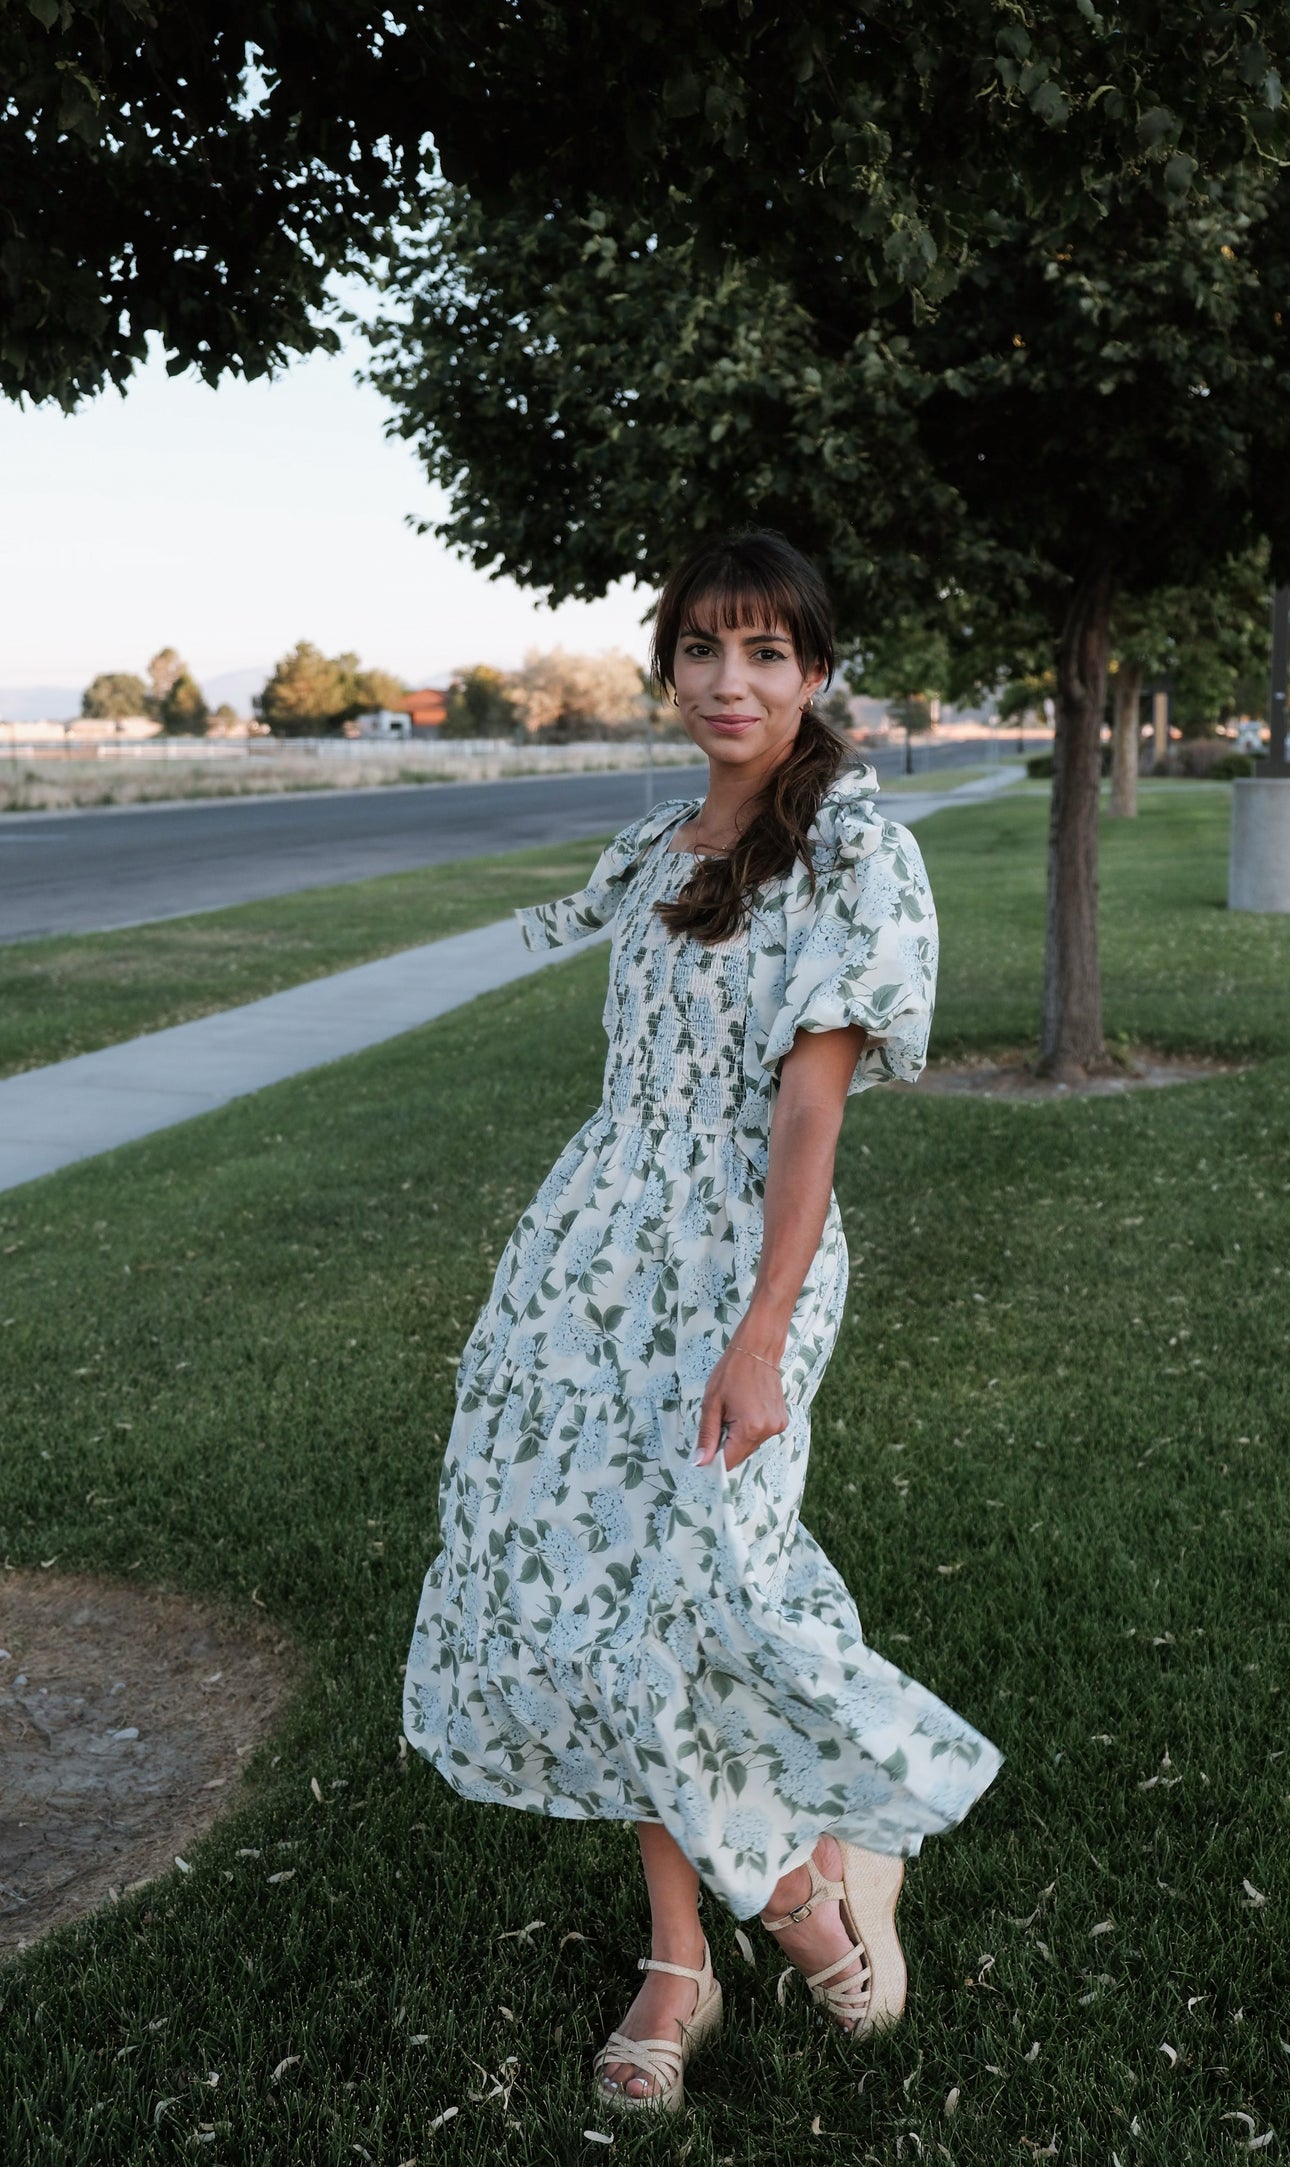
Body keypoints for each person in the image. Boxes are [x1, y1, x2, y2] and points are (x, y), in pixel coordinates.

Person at [402, 529, 1000, 2112]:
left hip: (742, 1262)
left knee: (699, 1580)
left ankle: (817, 1869)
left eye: (765, 653)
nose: (729, 683)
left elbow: (810, 1119)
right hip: (582, 1253)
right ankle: (682, 1957)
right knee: (591, 1598)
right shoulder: (662, 839)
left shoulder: (860, 856)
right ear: (666, 669)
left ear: (815, 675)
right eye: (700, 651)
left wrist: (759, 1333)